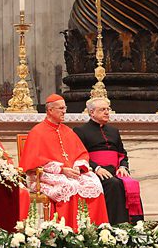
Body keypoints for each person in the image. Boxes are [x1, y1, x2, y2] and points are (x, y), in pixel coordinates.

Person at [19, 94, 108, 229]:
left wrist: (78, 166)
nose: (64, 111)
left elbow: (81, 154)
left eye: (65, 108)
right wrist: (62, 169)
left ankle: (94, 231)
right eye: (60, 108)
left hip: (71, 172)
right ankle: (67, 231)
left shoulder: (67, 131)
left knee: (94, 184)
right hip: (44, 175)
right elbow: (34, 162)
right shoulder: (37, 132)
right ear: (50, 110)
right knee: (69, 187)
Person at [73, 96, 143, 224]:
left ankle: (135, 226)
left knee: (131, 184)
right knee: (113, 184)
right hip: (94, 172)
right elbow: (80, 155)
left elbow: (122, 154)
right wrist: (96, 168)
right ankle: (116, 226)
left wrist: (123, 167)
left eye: (108, 109)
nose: (106, 112)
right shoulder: (80, 131)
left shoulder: (113, 131)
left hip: (115, 170)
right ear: (91, 112)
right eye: (102, 109)